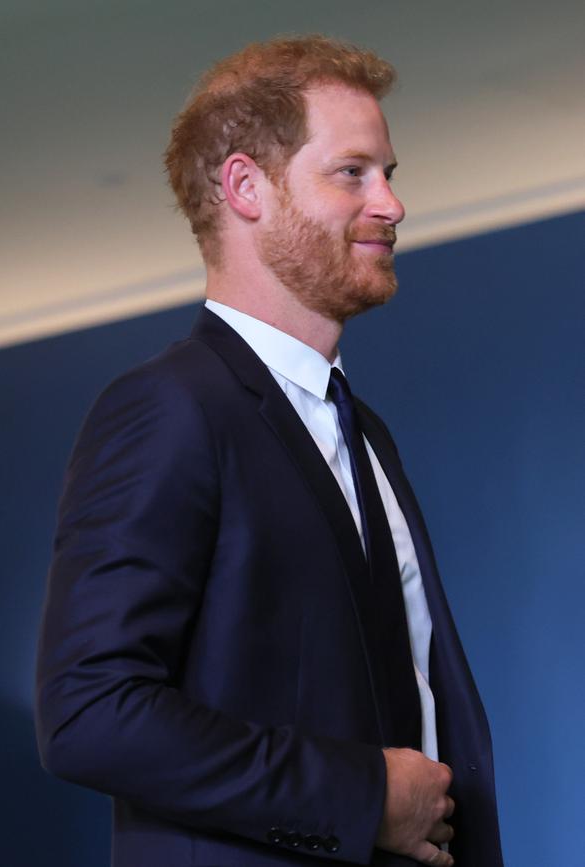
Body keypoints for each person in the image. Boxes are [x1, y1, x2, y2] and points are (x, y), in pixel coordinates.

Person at [36, 35, 504, 867]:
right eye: (353, 172)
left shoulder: (369, 432)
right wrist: (360, 797)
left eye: (390, 173)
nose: (391, 204)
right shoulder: (169, 408)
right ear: (247, 187)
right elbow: (89, 712)